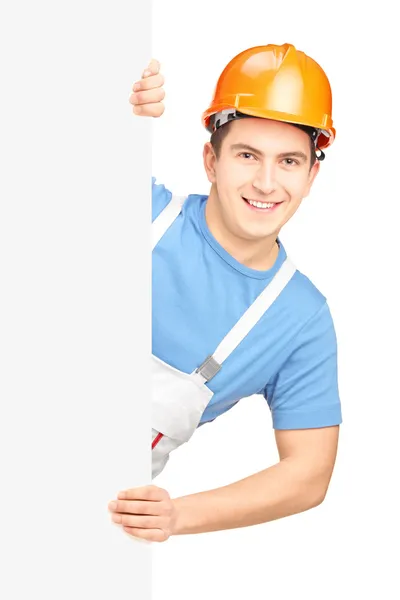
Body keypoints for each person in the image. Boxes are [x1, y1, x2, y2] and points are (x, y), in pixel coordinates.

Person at [108, 43, 342, 542]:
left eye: (289, 162)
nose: (266, 181)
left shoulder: (300, 318)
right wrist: (121, 100)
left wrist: (178, 515)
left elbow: (308, 473)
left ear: (311, 176)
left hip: (96, 524)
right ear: (211, 160)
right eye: (247, 155)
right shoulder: (136, 208)